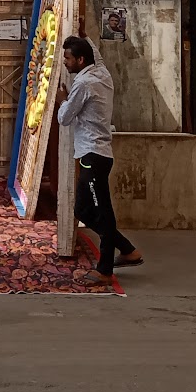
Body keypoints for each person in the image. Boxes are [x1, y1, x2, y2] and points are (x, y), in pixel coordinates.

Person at [57, 36, 141, 286]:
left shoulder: (84, 83)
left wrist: (62, 99)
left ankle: (104, 269)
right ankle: (128, 250)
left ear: (80, 59)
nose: (65, 62)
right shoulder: (102, 72)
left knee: (102, 213)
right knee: (82, 211)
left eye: (68, 58)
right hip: (96, 155)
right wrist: (83, 33)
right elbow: (97, 54)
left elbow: (64, 118)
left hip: (92, 156)